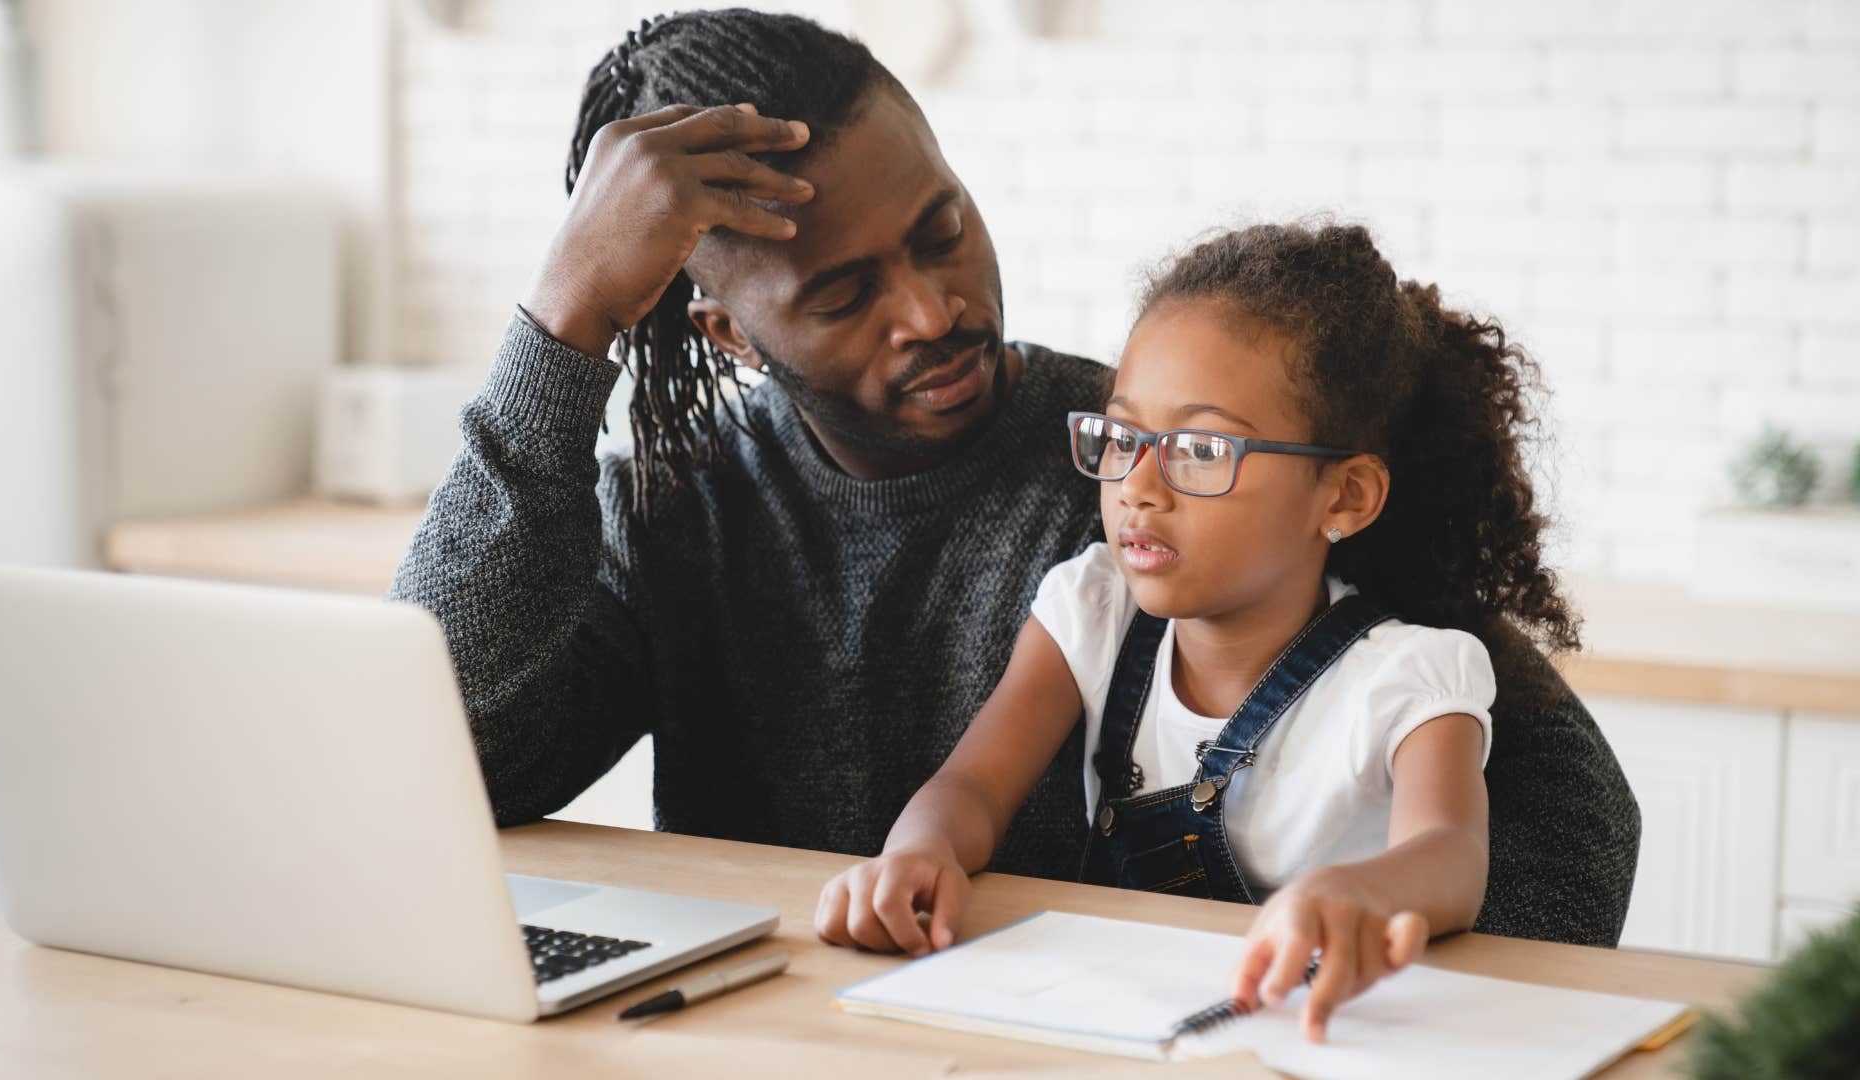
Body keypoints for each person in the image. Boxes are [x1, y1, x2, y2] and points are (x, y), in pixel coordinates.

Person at [389, 8, 1640, 947]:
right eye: (842, 294)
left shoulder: (1173, 472)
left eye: (941, 230)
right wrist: (564, 327)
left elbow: (1573, 804)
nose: (934, 310)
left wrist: (1326, 945)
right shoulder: (679, 509)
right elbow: (452, 763)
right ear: (727, 334)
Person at [815, 220, 1584, 1040]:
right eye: (1123, 436)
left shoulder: (1410, 676)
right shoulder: (1093, 608)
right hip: (1120, 1024)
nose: (1138, 486)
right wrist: (919, 851)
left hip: (1318, 1034)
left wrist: (1359, 892)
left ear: (1345, 497)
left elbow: (1452, 857)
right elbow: (971, 787)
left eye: (1201, 448)